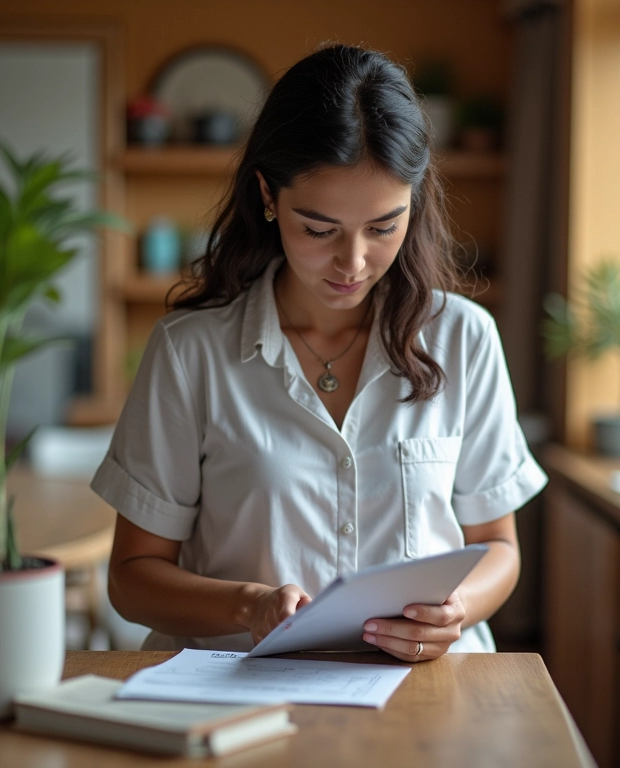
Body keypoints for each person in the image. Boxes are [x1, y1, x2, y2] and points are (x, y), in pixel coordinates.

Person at [91, 43, 547, 661]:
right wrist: (246, 606)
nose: (352, 263)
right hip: (243, 688)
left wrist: (456, 610)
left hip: (428, 689)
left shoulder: (464, 338)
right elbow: (132, 576)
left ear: (413, 202)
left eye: (383, 227)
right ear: (267, 195)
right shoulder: (189, 353)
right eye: (319, 229)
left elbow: (499, 546)